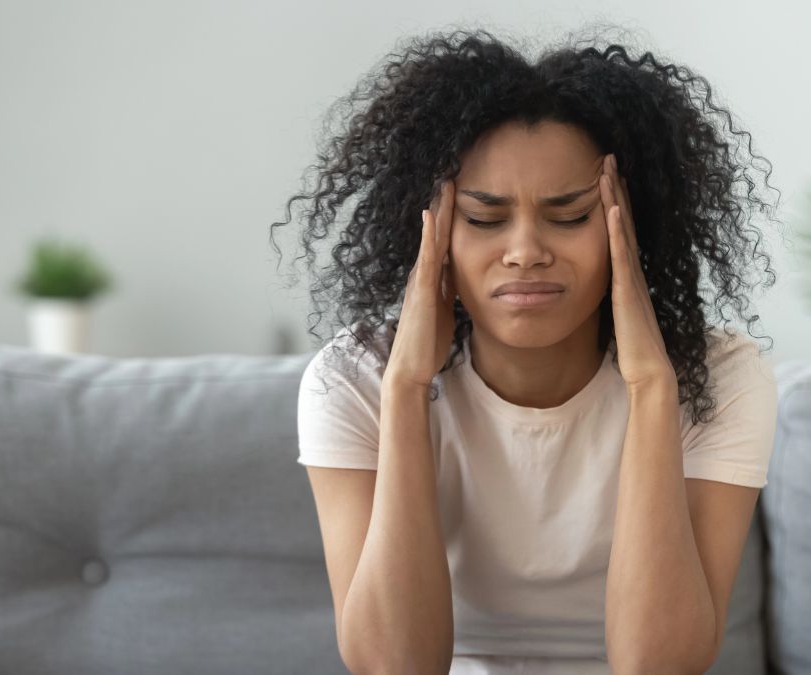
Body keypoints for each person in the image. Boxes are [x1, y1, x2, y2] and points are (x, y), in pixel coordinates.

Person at [271, 25, 782, 675]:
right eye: (485, 218)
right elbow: (393, 664)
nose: (525, 250)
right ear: (432, 230)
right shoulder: (353, 380)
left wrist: (653, 387)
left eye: (569, 215)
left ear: (633, 223)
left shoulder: (720, 377)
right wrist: (404, 388)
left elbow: (660, 663)